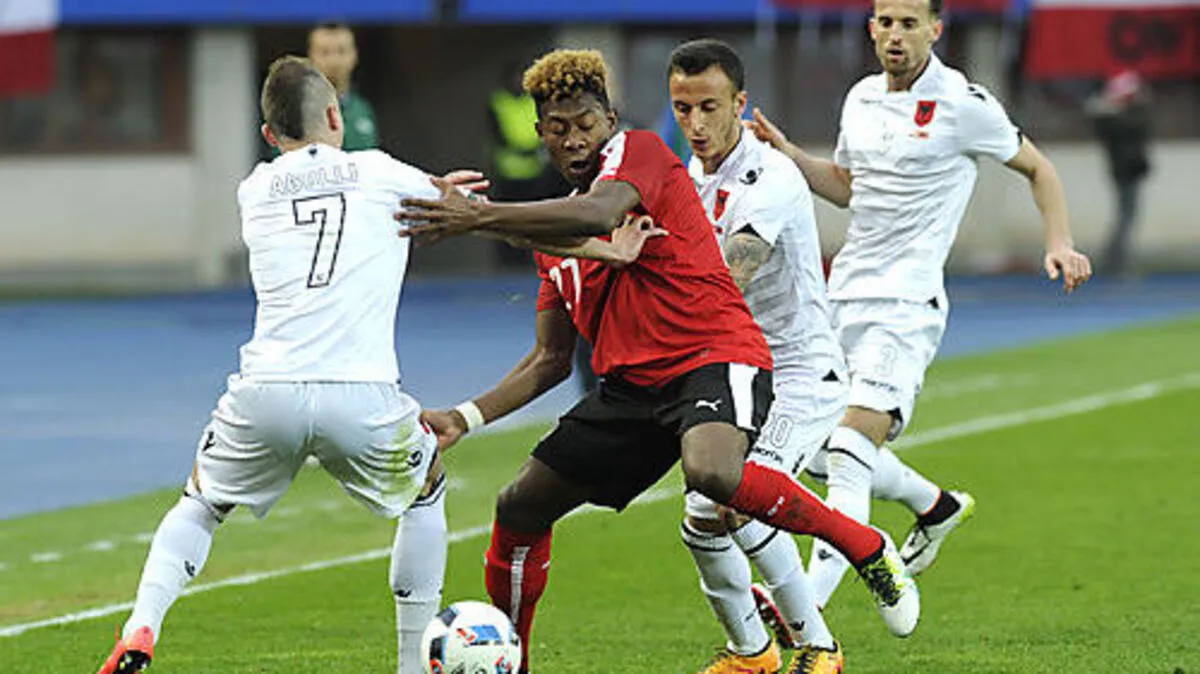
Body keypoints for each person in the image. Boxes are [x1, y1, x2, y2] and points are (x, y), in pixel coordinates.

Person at [398, 48, 919, 673]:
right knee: (520, 506)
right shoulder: (552, 241)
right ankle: (534, 661)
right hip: (635, 388)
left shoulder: (640, 153)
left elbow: (603, 212)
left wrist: (480, 217)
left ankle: (856, 556)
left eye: (585, 124)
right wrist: (464, 417)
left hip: (717, 353)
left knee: (714, 478)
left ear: (610, 121)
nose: (573, 140)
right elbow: (550, 359)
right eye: (558, 129)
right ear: (540, 133)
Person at [95, 56, 482, 674]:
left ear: (269, 136)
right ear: (336, 115)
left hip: (266, 390)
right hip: (361, 394)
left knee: (200, 503)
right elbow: (453, 205)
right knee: (425, 487)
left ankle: (142, 624)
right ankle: (412, 666)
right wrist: (445, 192)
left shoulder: (253, 189)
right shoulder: (380, 171)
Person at [748, 0, 1092, 608]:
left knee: (851, 446)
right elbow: (849, 188)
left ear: (936, 29)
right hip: (842, 295)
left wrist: (1059, 242)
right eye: (886, 22)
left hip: (906, 304)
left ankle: (806, 604)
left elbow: (1040, 169)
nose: (896, 34)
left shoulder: (963, 104)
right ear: (871, 28)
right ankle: (935, 507)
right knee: (820, 450)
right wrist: (791, 155)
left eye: (909, 23)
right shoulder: (861, 98)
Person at [667, 39, 849, 674]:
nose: (695, 124)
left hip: (801, 371)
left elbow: (726, 280)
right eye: (682, 108)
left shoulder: (769, 176)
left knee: (740, 498)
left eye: (709, 107)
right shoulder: (688, 178)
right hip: (741, 370)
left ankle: (819, 647)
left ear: (740, 104)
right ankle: (752, 654)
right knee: (701, 515)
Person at [1087, 69, 1151, 277]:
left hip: (1128, 171)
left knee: (1126, 217)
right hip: (1124, 172)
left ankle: (1115, 261)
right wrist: (1109, 107)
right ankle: (1115, 262)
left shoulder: (1121, 116)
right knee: (1125, 218)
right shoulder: (1114, 120)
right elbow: (1134, 124)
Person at [308, 23, 378, 151]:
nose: (334, 61)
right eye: (325, 52)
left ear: (354, 55)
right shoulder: (297, 111)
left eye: (341, 51)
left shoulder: (363, 109)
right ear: (311, 57)